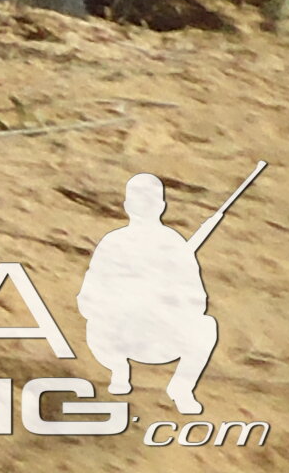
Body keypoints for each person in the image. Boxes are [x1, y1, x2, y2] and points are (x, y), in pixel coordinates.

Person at [79, 174, 223, 415]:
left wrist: (163, 299)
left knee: (206, 326)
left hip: (153, 337)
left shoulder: (169, 244)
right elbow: (88, 298)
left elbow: (196, 300)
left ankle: (179, 387)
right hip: (122, 335)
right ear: (161, 206)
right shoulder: (117, 242)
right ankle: (119, 370)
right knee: (205, 326)